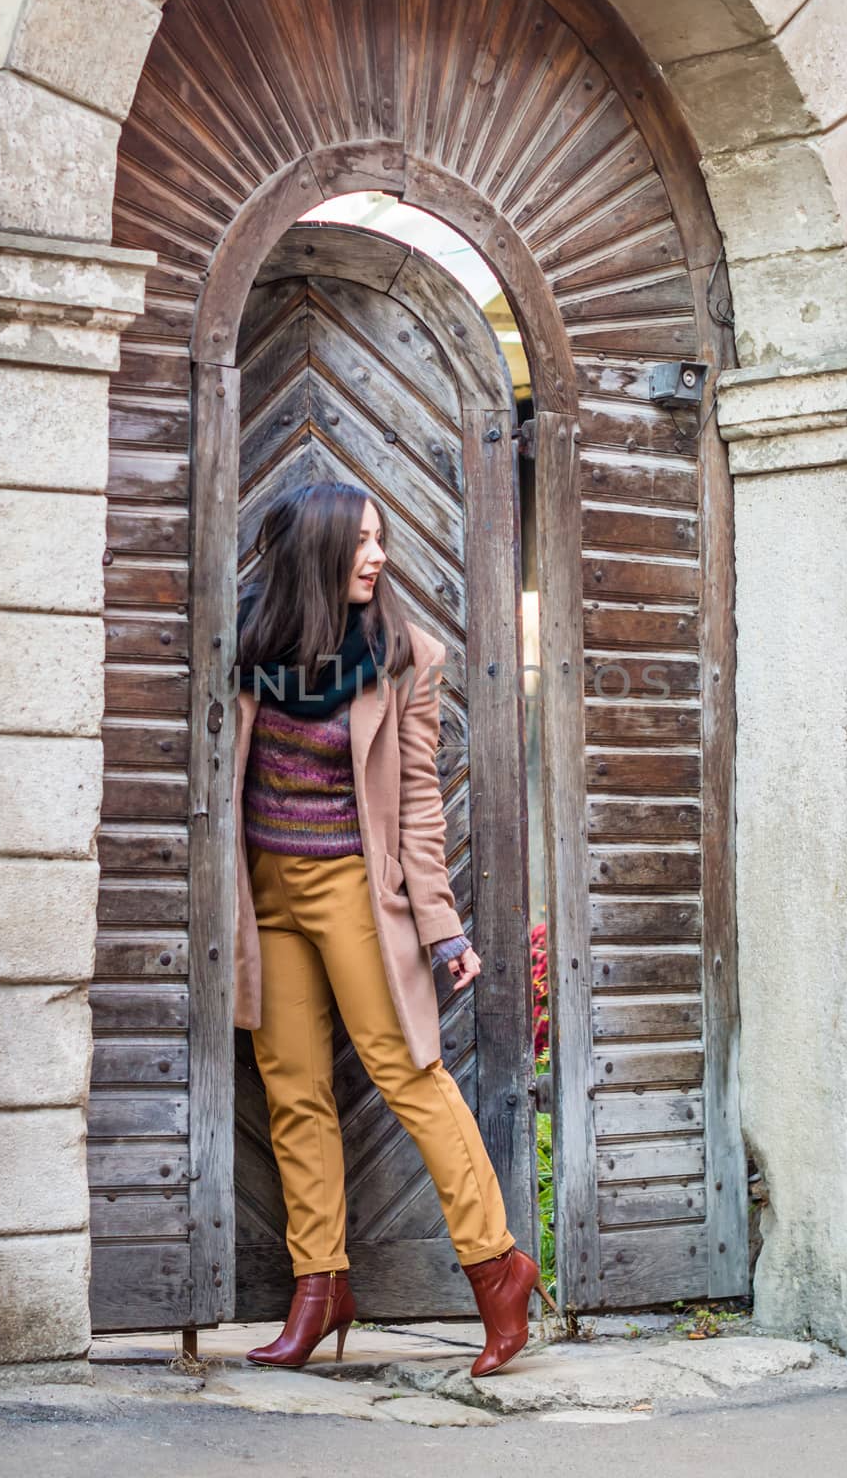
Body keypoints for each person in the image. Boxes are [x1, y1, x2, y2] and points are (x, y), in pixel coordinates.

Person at [232, 479, 554, 1377]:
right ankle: (319, 1286)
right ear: (315, 553)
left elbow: (418, 806)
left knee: (410, 1072)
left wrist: (443, 930)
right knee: (291, 1088)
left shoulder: (404, 655)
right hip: (265, 893)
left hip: (354, 893)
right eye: (360, 541)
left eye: (381, 538)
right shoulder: (248, 639)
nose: (377, 555)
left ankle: (499, 1268)